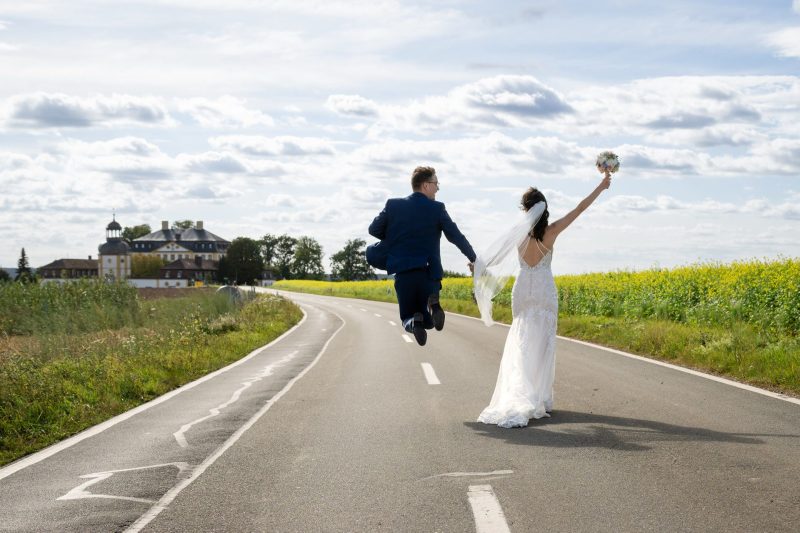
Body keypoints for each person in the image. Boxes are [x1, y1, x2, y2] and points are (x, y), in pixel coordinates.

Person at [474, 172, 612, 427]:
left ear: (526, 210)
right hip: (544, 289)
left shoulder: (518, 235)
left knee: (522, 339)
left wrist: (478, 266)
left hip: (523, 288)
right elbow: (580, 208)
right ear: (544, 209)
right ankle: (539, 396)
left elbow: (495, 256)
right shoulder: (552, 231)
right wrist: (601, 187)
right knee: (543, 342)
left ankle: (521, 391)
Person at [368, 166, 476, 346]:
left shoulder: (393, 205)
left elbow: (374, 229)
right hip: (429, 275)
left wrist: (397, 237)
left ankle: (413, 322)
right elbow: (456, 236)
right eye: (436, 183)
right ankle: (433, 306)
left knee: (407, 317)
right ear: (426, 185)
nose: (438, 188)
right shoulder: (437, 209)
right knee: (429, 322)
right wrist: (473, 258)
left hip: (404, 274)